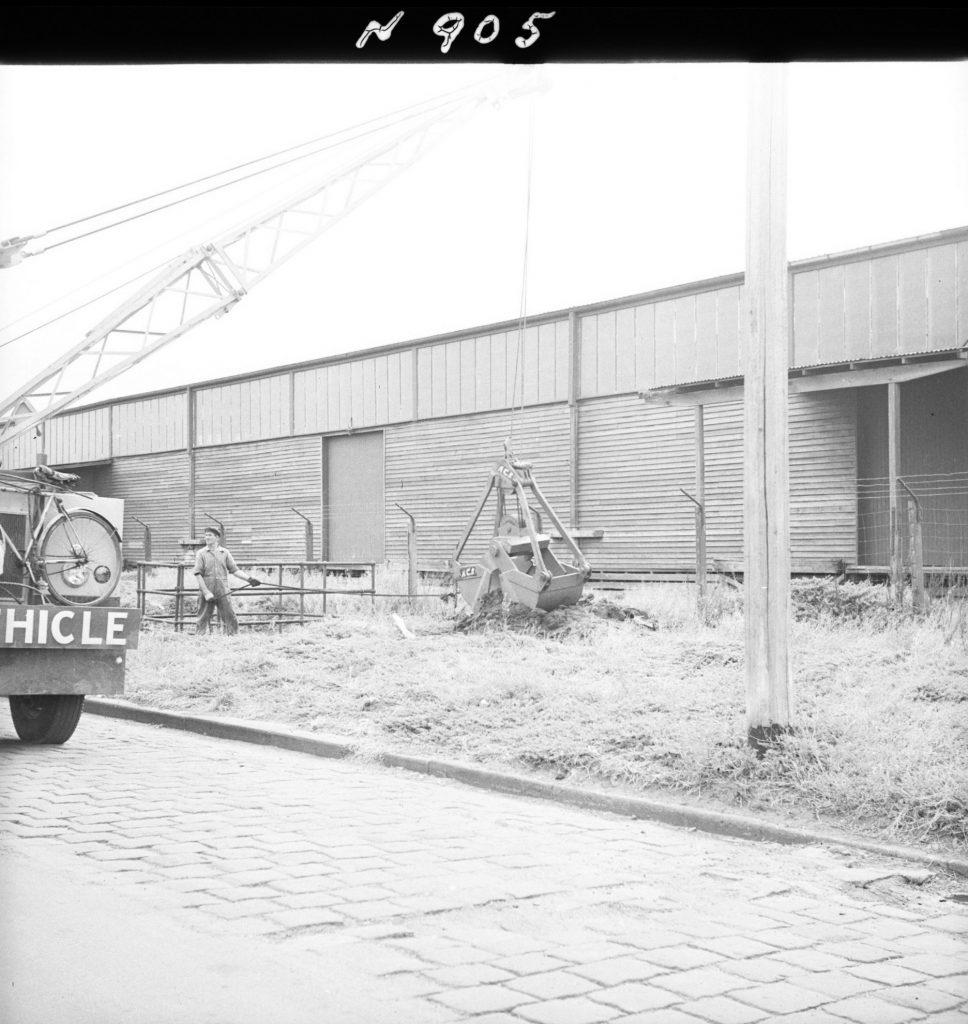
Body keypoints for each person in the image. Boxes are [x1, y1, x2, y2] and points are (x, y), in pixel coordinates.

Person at [193, 526, 260, 635]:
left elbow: (234, 570)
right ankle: (200, 639)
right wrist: (205, 592)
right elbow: (197, 574)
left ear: (217, 537)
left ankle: (233, 639)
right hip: (207, 589)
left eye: (210, 535)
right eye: (206, 535)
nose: (207, 537)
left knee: (230, 616)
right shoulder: (201, 553)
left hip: (223, 590)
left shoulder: (225, 553)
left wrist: (250, 579)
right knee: (203, 617)